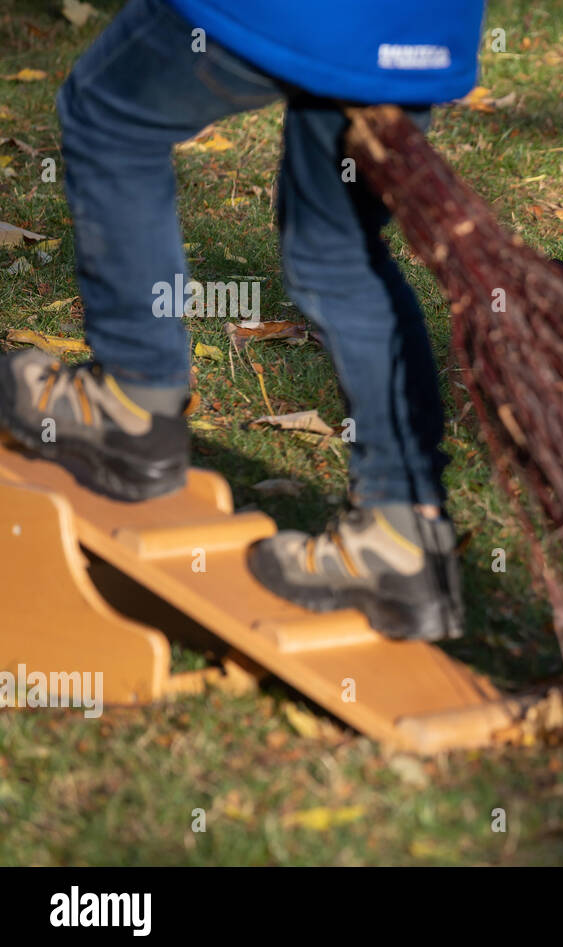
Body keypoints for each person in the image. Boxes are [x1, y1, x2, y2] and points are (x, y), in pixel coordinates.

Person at [0, 0, 486, 640]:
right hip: (412, 24)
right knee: (339, 253)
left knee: (110, 113)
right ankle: (400, 534)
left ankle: (129, 401)